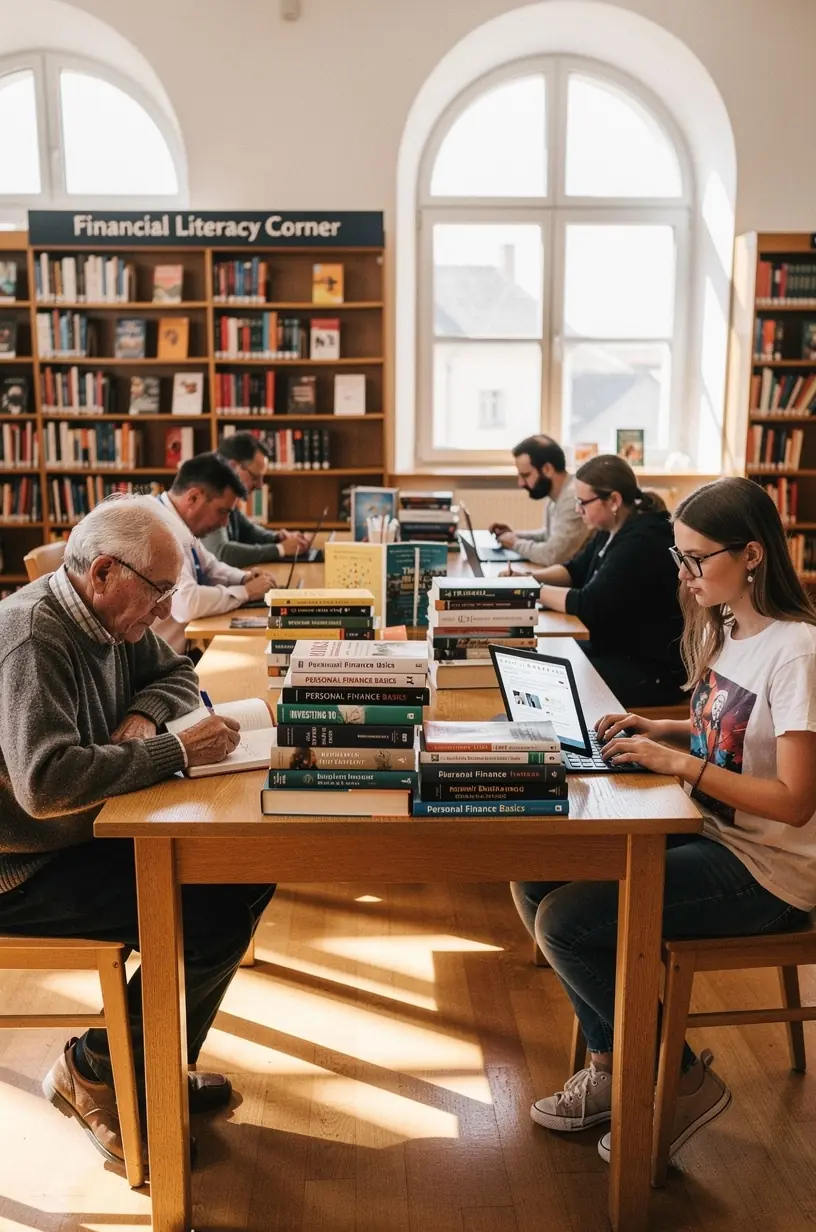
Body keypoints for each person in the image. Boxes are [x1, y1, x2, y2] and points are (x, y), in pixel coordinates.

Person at [512, 476, 816, 1167]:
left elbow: (795, 800)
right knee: (536, 877)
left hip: (767, 870)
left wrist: (676, 765)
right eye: (678, 558)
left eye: (696, 559)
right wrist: (662, 727)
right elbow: (726, 729)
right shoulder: (732, 626)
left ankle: (678, 1081)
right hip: (710, 831)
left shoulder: (798, 650)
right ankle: (616, 1068)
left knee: (566, 922)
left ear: (752, 555)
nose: (684, 574)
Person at [0, 496, 276, 1168]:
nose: (164, 613)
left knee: (249, 872)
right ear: (101, 573)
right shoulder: (35, 637)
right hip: (19, 868)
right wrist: (175, 752)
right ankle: (100, 1072)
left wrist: (148, 720)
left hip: (79, 835)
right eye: (157, 595)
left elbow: (178, 671)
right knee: (212, 919)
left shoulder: (110, 618)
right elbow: (47, 784)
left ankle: (142, 1065)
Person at [507, 453, 685, 708]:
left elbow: (588, 603)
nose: (578, 509)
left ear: (613, 500)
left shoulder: (642, 540)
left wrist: (530, 590)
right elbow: (574, 571)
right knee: (538, 658)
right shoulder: (611, 528)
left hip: (649, 670)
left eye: (583, 502)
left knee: (547, 682)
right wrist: (526, 577)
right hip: (614, 648)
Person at [152, 451, 278, 654]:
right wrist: (246, 592)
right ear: (193, 498)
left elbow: (209, 566)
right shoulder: (157, 530)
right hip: (161, 665)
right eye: (222, 512)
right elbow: (188, 603)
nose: (225, 523)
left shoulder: (177, 522)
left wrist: (244, 578)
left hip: (181, 652)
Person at [201, 432, 309, 565]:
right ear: (232, 466)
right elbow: (222, 553)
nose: (259, 485)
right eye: (255, 477)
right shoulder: (207, 494)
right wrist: (280, 549)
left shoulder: (226, 491)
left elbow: (247, 531)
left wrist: (277, 538)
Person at [488, 435, 589, 567]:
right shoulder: (556, 496)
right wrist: (513, 535)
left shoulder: (572, 498)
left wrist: (515, 543)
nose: (520, 483)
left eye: (525, 475)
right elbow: (549, 536)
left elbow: (553, 555)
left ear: (547, 469)